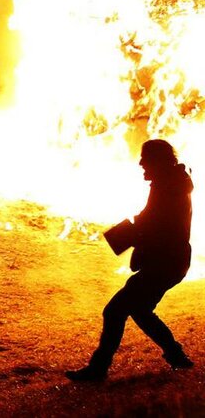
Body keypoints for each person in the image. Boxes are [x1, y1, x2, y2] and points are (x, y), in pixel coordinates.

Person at [66, 139, 195, 381]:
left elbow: (160, 227)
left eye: (146, 159)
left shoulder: (169, 188)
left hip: (164, 263)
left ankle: (98, 369)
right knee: (140, 310)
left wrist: (132, 233)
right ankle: (177, 356)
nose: (141, 164)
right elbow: (155, 222)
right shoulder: (170, 183)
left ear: (158, 161)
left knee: (114, 311)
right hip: (170, 262)